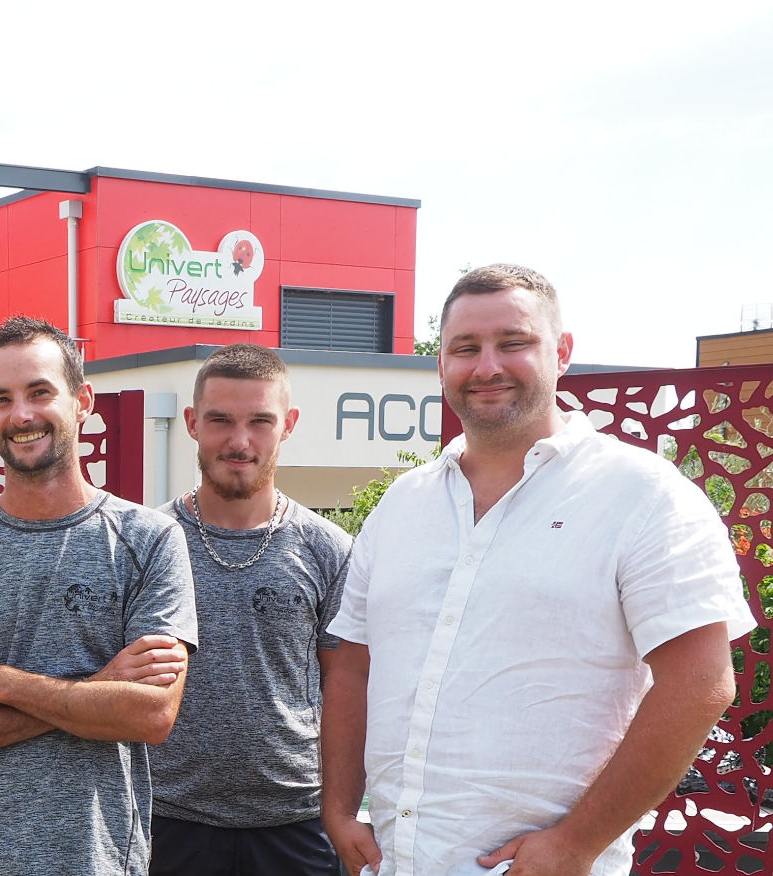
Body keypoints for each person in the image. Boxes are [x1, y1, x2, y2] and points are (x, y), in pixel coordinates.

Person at [321, 264, 751, 876]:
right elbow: (354, 665)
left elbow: (700, 682)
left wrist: (576, 842)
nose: (487, 367)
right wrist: (338, 809)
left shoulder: (643, 495)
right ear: (440, 364)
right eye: (465, 348)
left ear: (562, 352)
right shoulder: (402, 506)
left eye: (513, 342)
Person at [0, 316, 197, 876]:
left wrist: (1, 683)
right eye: (1, 399)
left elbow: (152, 714)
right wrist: (101, 686)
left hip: (102, 859)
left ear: (82, 401)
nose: (21, 415)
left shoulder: (149, 540)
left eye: (40, 392)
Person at [149, 343, 350, 875]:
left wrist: (343, 813)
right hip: (166, 820)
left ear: (289, 425)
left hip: (297, 824)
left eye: (260, 421)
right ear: (192, 423)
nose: (239, 441)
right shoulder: (147, 543)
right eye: (220, 420)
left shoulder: (328, 549)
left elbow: (347, 691)